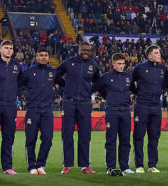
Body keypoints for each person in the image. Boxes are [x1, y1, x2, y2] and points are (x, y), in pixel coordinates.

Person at [55, 42, 101, 174]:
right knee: (67, 134)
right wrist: (65, 85)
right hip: (69, 102)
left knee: (85, 135)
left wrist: (90, 91)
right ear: (79, 50)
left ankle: (85, 165)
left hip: (85, 103)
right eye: (83, 49)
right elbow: (56, 74)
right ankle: (67, 165)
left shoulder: (93, 65)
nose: (86, 52)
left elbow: (98, 81)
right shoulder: (69, 62)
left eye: (88, 50)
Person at [19, 49, 58, 175]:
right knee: (31, 140)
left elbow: (65, 84)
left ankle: (41, 164)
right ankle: (31, 166)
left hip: (47, 110)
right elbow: (17, 86)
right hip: (32, 110)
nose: (43, 58)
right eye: (41, 55)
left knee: (48, 139)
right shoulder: (28, 72)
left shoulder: (52, 72)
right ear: (36, 57)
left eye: (46, 55)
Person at [130, 46, 168, 173]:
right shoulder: (140, 68)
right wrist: (137, 93)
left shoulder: (163, 68)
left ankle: (152, 165)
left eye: (159, 52)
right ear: (149, 56)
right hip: (142, 105)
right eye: (156, 53)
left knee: (154, 136)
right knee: (139, 136)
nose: (159, 54)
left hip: (156, 106)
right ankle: (139, 165)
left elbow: (166, 84)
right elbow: (130, 82)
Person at [0, 40, 22, 175]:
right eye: (6, 48)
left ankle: (7, 166)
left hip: (10, 107)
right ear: (0, 50)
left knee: (8, 138)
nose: (9, 50)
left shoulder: (17, 67)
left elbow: (20, 84)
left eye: (11, 48)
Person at [97, 53, 134, 175]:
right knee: (111, 140)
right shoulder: (105, 77)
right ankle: (110, 166)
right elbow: (100, 90)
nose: (122, 66)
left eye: (123, 64)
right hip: (112, 111)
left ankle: (125, 166)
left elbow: (133, 89)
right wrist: (109, 97)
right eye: (119, 64)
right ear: (113, 64)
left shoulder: (128, 76)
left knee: (125, 140)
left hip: (125, 111)